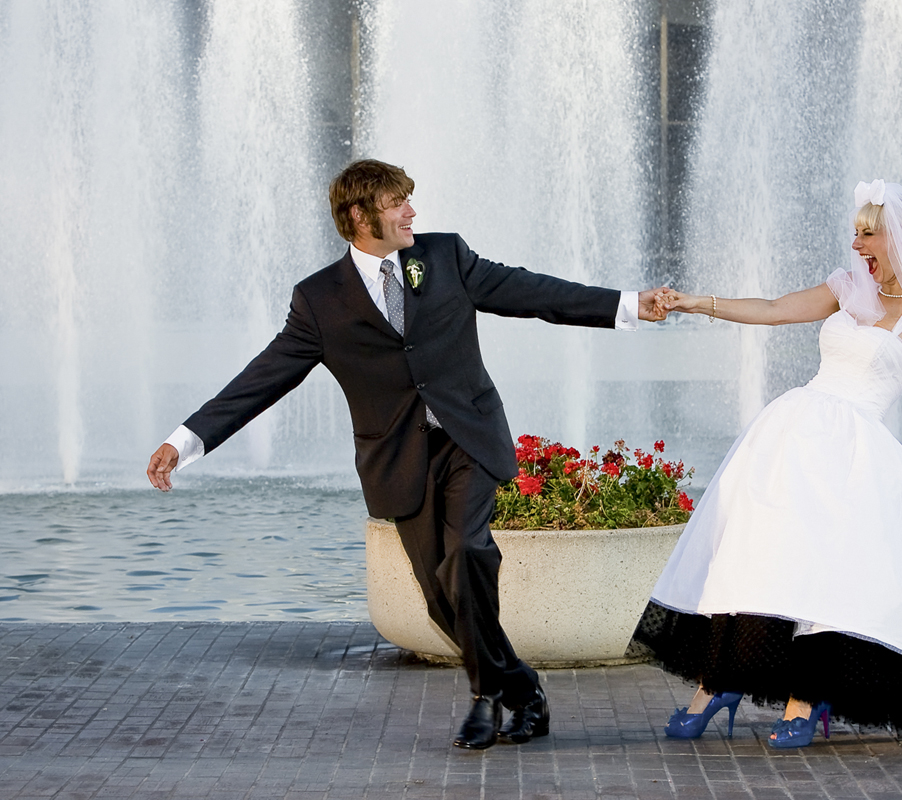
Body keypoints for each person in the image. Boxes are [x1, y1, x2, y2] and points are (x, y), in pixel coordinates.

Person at [146, 159, 667, 750]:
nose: (411, 212)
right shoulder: (319, 300)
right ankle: (521, 686)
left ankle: (485, 697)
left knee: (468, 552)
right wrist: (185, 439)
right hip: (400, 460)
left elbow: (531, 292)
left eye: (409, 200)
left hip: (468, 438)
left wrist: (626, 304)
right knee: (441, 597)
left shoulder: (444, 257)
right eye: (397, 203)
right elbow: (264, 378)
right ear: (359, 216)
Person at [634, 180, 902, 747]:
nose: (856, 244)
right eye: (855, 232)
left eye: (867, 233)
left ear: (900, 235)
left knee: (821, 569)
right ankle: (719, 683)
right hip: (793, 433)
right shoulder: (846, 287)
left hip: (857, 455)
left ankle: (805, 699)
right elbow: (775, 310)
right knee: (756, 551)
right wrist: (693, 303)